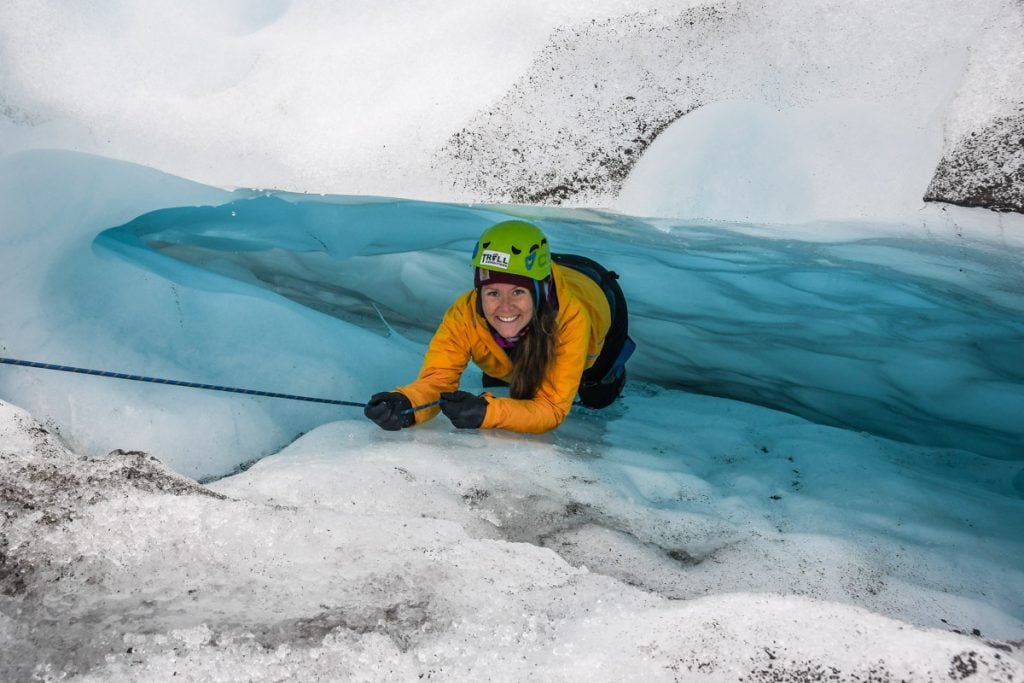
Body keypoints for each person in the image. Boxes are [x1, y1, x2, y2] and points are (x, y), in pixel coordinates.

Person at [364, 219, 634, 433]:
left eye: (517, 292)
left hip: (599, 295)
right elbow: (438, 382)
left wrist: (487, 414)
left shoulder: (571, 320)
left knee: (597, 395)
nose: (505, 307)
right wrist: (406, 404)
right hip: (533, 275)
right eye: (493, 293)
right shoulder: (465, 314)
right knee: (500, 389)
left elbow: (551, 408)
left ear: (539, 294)